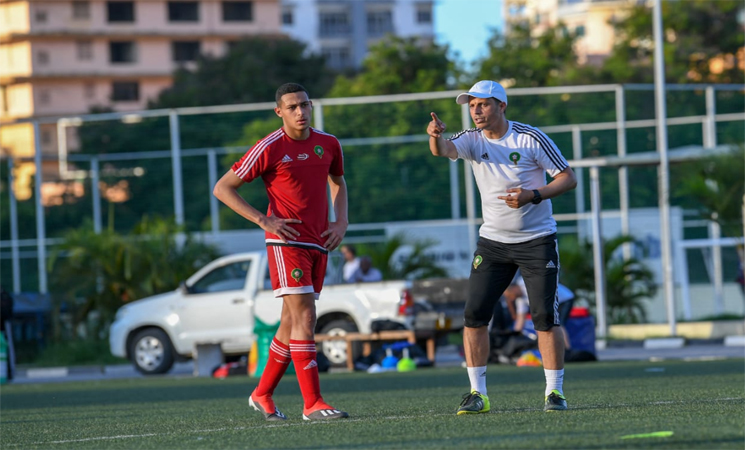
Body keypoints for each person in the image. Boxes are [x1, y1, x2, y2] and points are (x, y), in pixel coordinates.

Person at [427, 80, 577, 414]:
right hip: (493, 243)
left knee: (544, 317)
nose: (476, 111)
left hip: (537, 241)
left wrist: (532, 195)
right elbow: (443, 151)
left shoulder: (530, 138)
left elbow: (568, 178)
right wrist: (434, 136)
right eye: (471, 105)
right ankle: (477, 393)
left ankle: (554, 392)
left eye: (482, 104)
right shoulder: (471, 139)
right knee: (474, 315)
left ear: (502, 106)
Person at [213, 82, 349, 421]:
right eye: (292, 107)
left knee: (291, 323)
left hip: (319, 242)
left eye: (304, 104)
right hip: (286, 242)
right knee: (305, 318)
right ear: (279, 112)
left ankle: (262, 393)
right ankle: (312, 403)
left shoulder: (329, 143)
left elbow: (338, 181)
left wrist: (341, 222)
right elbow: (223, 188)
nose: (300, 112)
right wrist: (264, 220)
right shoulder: (269, 147)